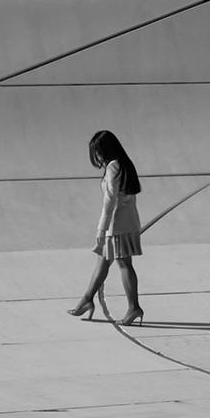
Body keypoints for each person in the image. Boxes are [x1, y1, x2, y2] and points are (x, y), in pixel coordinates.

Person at [68, 129, 146, 324]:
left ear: (105, 150)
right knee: (103, 262)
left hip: (116, 225)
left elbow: (110, 200)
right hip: (127, 221)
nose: (97, 157)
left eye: (98, 152)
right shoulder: (124, 164)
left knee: (124, 264)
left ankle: (134, 307)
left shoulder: (113, 167)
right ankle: (87, 300)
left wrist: (101, 229)